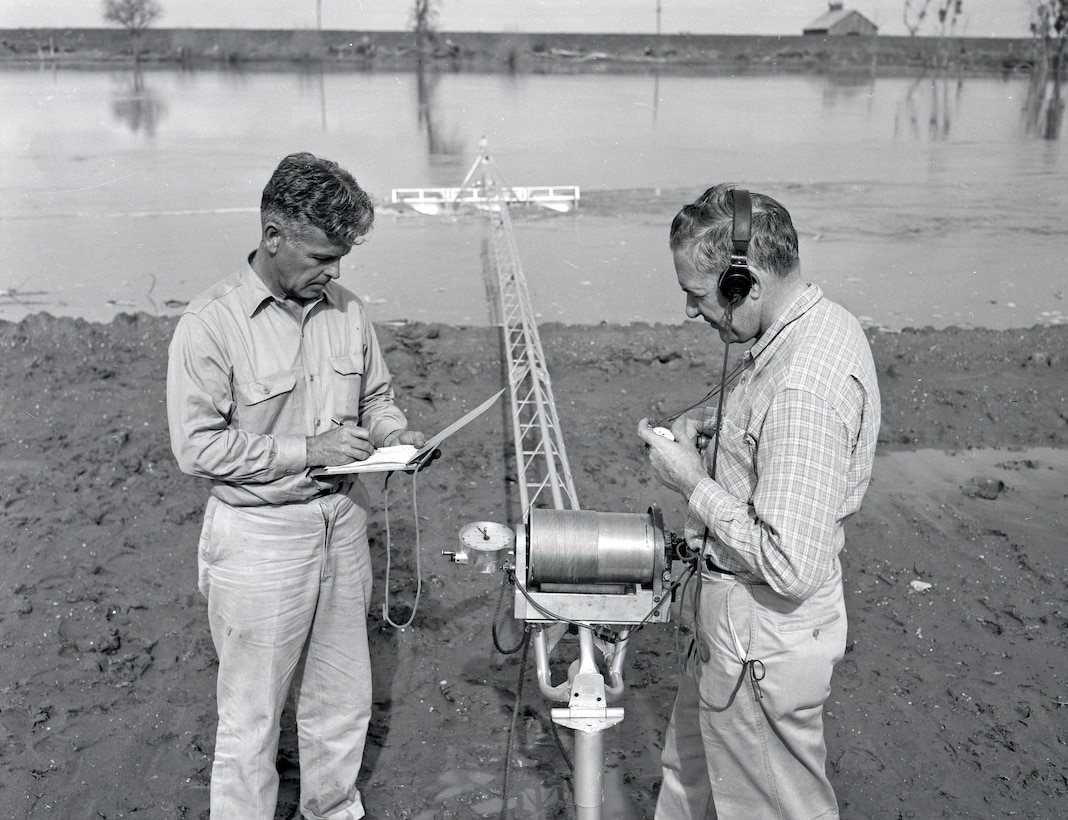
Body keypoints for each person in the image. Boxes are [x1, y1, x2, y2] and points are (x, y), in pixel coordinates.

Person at [167, 151, 426, 819]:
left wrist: (397, 435)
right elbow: (197, 448)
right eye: (320, 256)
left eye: (342, 257)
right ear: (272, 237)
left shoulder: (348, 311)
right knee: (251, 721)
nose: (333, 271)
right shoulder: (209, 325)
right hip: (258, 536)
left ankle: (332, 808)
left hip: (342, 524)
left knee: (340, 701)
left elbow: (377, 397)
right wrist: (308, 449)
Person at [638, 184, 881, 819]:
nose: (694, 313)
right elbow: (761, 407)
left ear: (743, 282)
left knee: (770, 806)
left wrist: (691, 481)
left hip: (761, 635)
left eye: (697, 295)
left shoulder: (803, 384)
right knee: (689, 781)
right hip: (734, 627)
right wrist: (702, 424)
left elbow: (789, 562)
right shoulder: (815, 323)